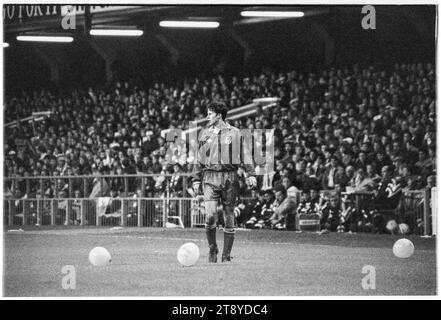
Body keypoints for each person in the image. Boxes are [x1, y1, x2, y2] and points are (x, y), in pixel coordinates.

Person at [192, 102, 256, 263]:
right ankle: (213, 248)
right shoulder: (205, 133)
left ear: (219, 115)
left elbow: (245, 154)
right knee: (210, 216)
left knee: (229, 217)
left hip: (230, 177)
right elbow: (199, 157)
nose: (208, 117)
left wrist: (250, 173)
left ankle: (226, 255)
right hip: (210, 177)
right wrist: (195, 178)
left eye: (210, 114)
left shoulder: (235, 133)